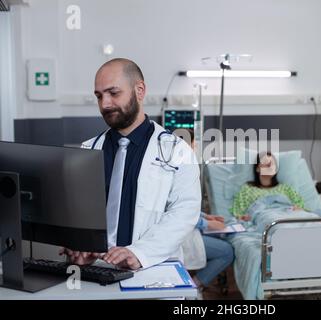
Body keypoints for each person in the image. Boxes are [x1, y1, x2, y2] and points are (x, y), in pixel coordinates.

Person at [60, 58, 201, 270]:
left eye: (113, 93)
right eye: (99, 96)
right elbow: (77, 213)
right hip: (97, 268)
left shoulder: (177, 151)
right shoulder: (87, 151)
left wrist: (140, 253)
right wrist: (79, 245)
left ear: (140, 91)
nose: (105, 104)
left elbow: (184, 212)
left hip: (152, 267)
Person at [180, 129, 234, 292]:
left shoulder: (183, 167)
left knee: (226, 236)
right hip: (181, 234)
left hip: (189, 226)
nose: (195, 147)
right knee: (227, 252)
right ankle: (193, 286)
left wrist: (207, 216)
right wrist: (206, 223)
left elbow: (187, 205)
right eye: (194, 144)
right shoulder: (177, 171)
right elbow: (177, 213)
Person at [231, 151, 307, 220]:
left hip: (290, 216)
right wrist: (243, 217)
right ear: (257, 168)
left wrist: (298, 209)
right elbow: (238, 213)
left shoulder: (285, 188)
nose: (270, 166)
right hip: (267, 217)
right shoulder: (248, 189)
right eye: (266, 164)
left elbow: (300, 206)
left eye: (272, 164)